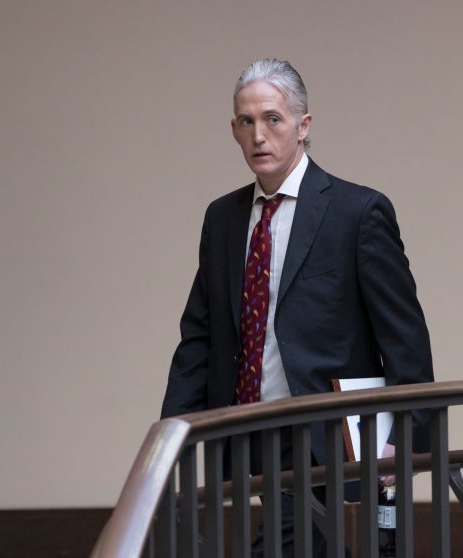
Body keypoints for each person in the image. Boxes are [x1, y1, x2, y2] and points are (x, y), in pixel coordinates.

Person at [161, 58, 433, 557]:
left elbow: (405, 338)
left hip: (328, 432)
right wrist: (170, 437)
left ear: (303, 126)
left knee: (286, 544)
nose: (258, 135)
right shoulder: (222, 219)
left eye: (272, 119)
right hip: (244, 429)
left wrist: (406, 440)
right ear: (233, 130)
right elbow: (200, 335)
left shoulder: (358, 212)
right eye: (247, 122)